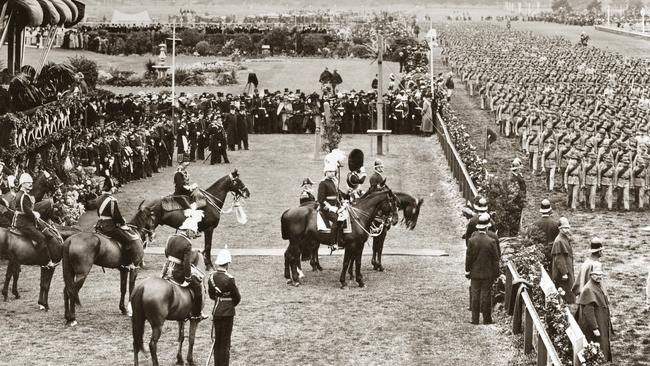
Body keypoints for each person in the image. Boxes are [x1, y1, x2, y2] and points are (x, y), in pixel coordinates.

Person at [162, 221, 208, 321]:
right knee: (198, 285)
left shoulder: (171, 237)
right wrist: (187, 278)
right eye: (193, 232)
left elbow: (166, 253)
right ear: (187, 231)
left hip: (166, 270)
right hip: (178, 272)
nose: (194, 234)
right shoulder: (187, 243)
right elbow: (186, 263)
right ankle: (197, 313)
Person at [12, 173, 59, 268]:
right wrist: (34, 214)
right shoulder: (23, 196)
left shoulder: (22, 194)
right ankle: (45, 262)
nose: (30, 184)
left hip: (24, 220)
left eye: (31, 182)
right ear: (22, 184)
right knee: (41, 238)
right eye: (28, 183)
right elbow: (25, 210)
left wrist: (33, 213)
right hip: (23, 223)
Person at [208, 246, 241, 366]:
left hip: (217, 311)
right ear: (227, 264)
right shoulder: (230, 278)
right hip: (228, 313)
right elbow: (237, 298)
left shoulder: (211, 277)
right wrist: (230, 305)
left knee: (217, 341)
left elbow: (212, 295)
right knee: (225, 342)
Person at [465, 213, 500, 325]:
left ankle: (474, 319)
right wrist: (496, 273)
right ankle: (487, 319)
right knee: (486, 295)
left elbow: (468, 257)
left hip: (475, 272)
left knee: (475, 295)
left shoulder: (472, 240)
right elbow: (496, 259)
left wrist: (467, 270)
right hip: (488, 273)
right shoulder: (491, 241)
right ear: (486, 227)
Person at [575, 264, 613, 362]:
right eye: (596, 274)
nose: (599, 276)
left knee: (601, 344)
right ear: (591, 275)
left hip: (600, 320)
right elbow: (588, 311)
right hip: (595, 323)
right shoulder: (588, 289)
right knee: (596, 345)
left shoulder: (597, 284)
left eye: (600, 274)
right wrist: (594, 327)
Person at [318, 160, 344, 247]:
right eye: (330, 171)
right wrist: (330, 207)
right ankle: (333, 242)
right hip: (326, 208)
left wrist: (346, 196)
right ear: (325, 172)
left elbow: (338, 193)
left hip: (336, 206)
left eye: (334, 171)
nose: (333, 173)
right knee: (337, 220)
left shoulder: (334, 181)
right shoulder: (323, 183)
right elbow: (321, 199)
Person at [551, 217, 575, 304]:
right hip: (563, 274)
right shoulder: (559, 241)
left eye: (568, 227)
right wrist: (564, 273)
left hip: (567, 269)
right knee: (565, 292)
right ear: (560, 228)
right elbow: (559, 259)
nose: (567, 230)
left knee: (569, 290)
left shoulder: (564, 238)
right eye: (565, 228)